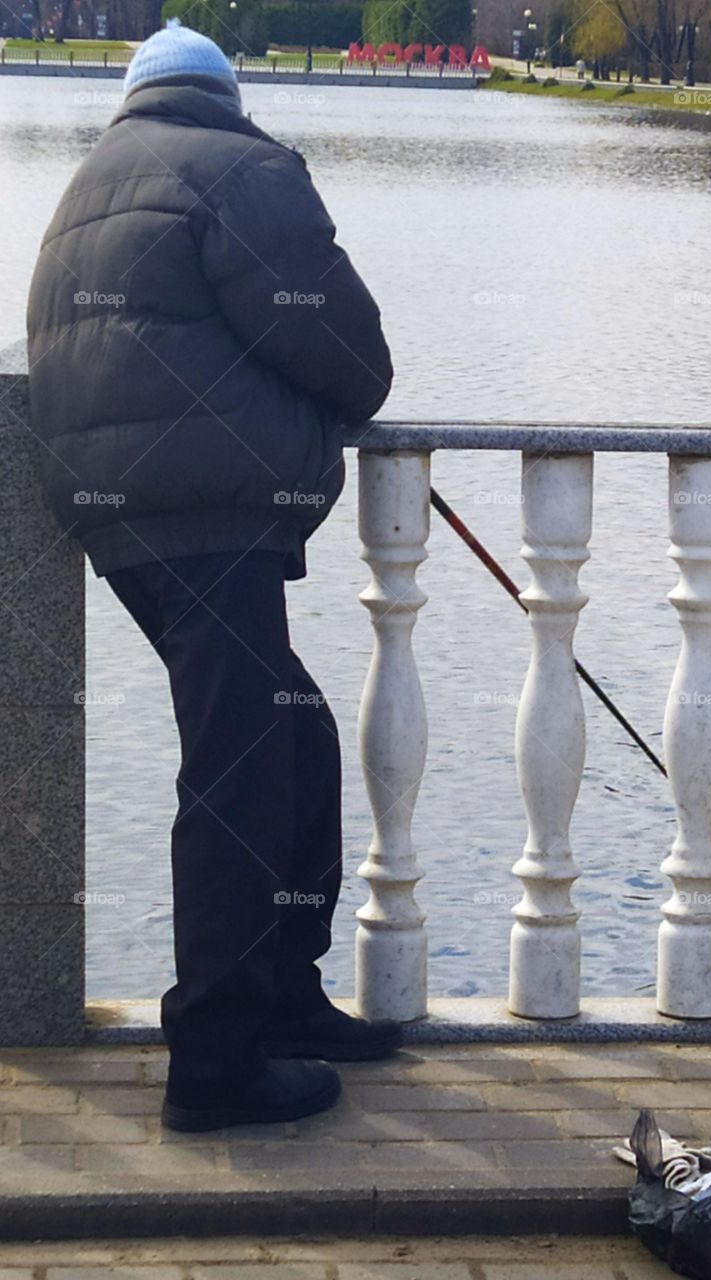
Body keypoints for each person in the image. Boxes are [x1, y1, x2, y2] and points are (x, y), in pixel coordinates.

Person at [27, 21, 398, 1133]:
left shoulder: (88, 180)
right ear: (221, 97)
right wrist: (335, 403)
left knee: (289, 732)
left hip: (116, 508)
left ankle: (280, 993)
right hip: (207, 508)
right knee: (239, 772)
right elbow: (345, 347)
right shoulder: (244, 166)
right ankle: (216, 1060)